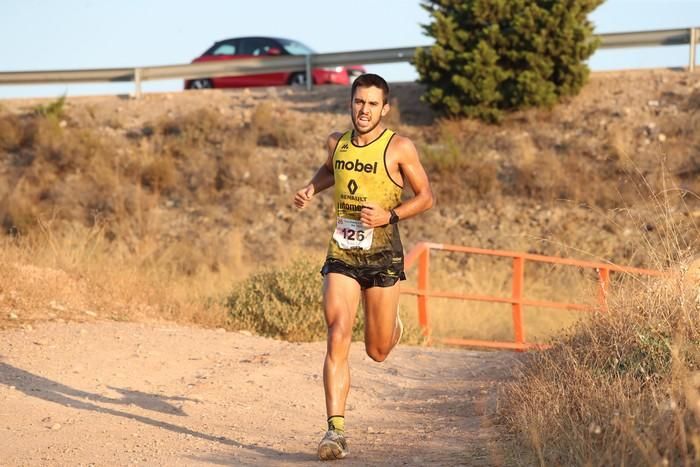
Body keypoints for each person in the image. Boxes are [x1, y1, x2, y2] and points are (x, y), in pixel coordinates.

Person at [293, 73, 434, 461]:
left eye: (373, 104)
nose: (364, 110)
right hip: (342, 252)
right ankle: (334, 432)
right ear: (350, 102)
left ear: (384, 108)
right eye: (359, 102)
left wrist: (389, 215)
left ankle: (391, 329)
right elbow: (329, 169)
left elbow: (426, 197)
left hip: (384, 254)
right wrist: (311, 187)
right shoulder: (336, 143)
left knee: (377, 350)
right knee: (338, 331)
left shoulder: (400, 148)